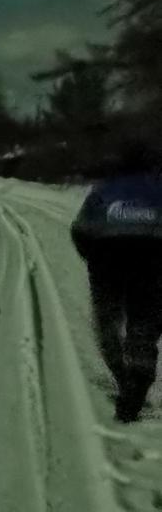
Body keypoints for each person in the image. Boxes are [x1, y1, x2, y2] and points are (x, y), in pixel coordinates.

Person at [71, 138, 162, 422]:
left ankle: (122, 378)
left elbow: (81, 230)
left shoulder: (103, 190)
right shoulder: (159, 188)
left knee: (108, 323)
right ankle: (137, 385)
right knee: (143, 328)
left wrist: (94, 259)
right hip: (152, 262)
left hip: (108, 263)